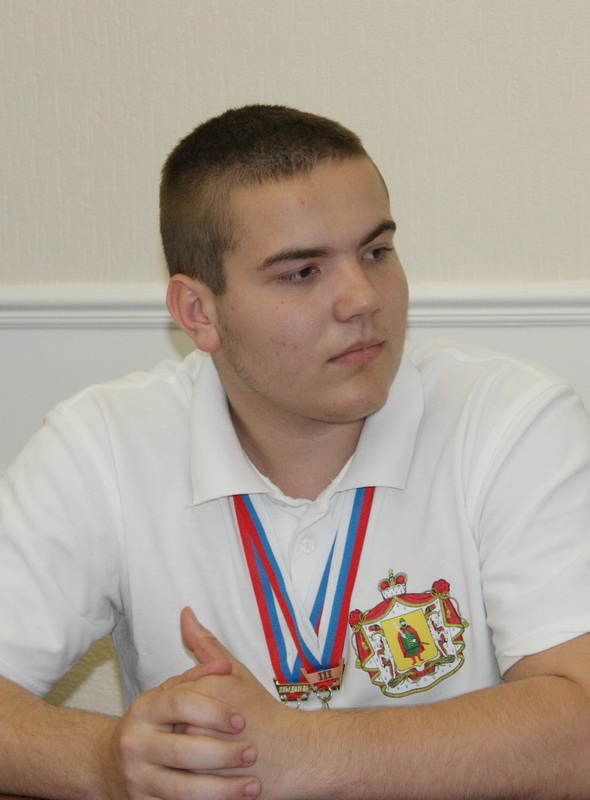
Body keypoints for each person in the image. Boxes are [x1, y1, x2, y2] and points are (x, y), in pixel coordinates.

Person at [0, 104, 589, 800]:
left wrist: (304, 753)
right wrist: (108, 762)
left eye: (376, 252)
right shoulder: (101, 445)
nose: (362, 299)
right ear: (198, 313)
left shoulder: (511, 418)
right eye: (303, 272)